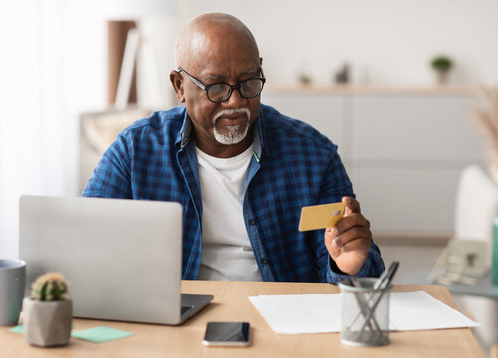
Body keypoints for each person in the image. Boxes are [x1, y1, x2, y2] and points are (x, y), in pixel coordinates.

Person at [82, 13, 385, 282]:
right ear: (179, 87)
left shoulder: (313, 156)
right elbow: (85, 240)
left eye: (249, 82)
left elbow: (351, 262)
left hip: (280, 319)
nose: (236, 101)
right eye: (216, 87)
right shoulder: (136, 150)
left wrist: (349, 265)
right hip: (174, 318)